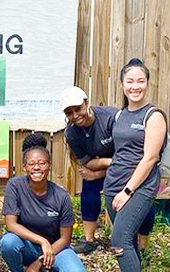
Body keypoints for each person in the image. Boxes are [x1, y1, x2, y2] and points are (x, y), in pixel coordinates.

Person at [104, 58, 167, 272]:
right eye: (130, 81)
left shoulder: (153, 116)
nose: (135, 86)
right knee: (126, 239)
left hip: (137, 188)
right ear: (122, 84)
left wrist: (128, 190)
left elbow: (150, 157)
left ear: (148, 83)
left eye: (140, 80)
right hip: (113, 185)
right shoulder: (119, 115)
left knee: (118, 241)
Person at [61, 87, 155, 254]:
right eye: (69, 113)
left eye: (78, 109)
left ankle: (143, 244)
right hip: (107, 164)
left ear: (87, 103)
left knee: (142, 199)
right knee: (89, 190)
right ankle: (89, 239)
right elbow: (88, 163)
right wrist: (107, 165)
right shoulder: (72, 132)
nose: (75, 115)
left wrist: (100, 171)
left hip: (129, 166)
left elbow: (129, 154)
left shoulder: (112, 117)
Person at [0, 133, 87, 272]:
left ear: (49, 165)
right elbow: (11, 224)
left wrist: (39, 262)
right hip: (28, 246)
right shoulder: (15, 186)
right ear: (24, 167)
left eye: (42, 163)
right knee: (8, 242)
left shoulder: (61, 196)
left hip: (56, 248)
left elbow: (66, 238)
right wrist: (41, 241)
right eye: (31, 164)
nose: (37, 167)